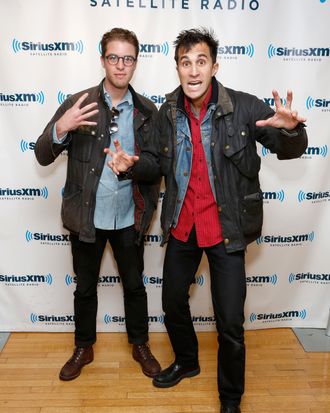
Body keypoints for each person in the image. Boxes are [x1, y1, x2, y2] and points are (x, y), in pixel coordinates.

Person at [106, 28, 308, 413]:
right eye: (185, 63)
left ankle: (231, 398)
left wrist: (293, 130)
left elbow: (289, 147)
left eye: (201, 62)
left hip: (225, 229)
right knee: (171, 304)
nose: (193, 71)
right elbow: (154, 162)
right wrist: (130, 167)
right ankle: (187, 360)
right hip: (183, 225)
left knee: (230, 322)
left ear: (214, 66)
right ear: (177, 68)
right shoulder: (167, 111)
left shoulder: (245, 108)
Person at [34, 28, 161, 381]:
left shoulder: (148, 111)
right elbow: (43, 154)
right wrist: (61, 127)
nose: (121, 65)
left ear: (136, 62)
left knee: (135, 286)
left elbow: (157, 169)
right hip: (86, 217)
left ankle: (140, 343)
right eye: (114, 57)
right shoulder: (80, 103)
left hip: (129, 218)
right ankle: (83, 346)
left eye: (128, 58)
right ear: (102, 59)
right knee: (85, 287)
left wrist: (134, 165)